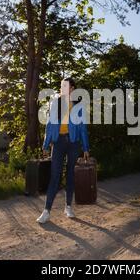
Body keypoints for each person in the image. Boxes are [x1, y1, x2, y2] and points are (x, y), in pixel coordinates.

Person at [36, 78, 90, 224]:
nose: (62, 88)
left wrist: (85, 148)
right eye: (61, 86)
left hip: (73, 143)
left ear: (72, 89)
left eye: (65, 86)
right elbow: (49, 125)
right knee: (55, 175)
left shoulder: (79, 106)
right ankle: (46, 211)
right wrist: (46, 144)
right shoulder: (55, 103)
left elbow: (83, 128)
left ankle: (68, 207)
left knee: (71, 174)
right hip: (58, 142)